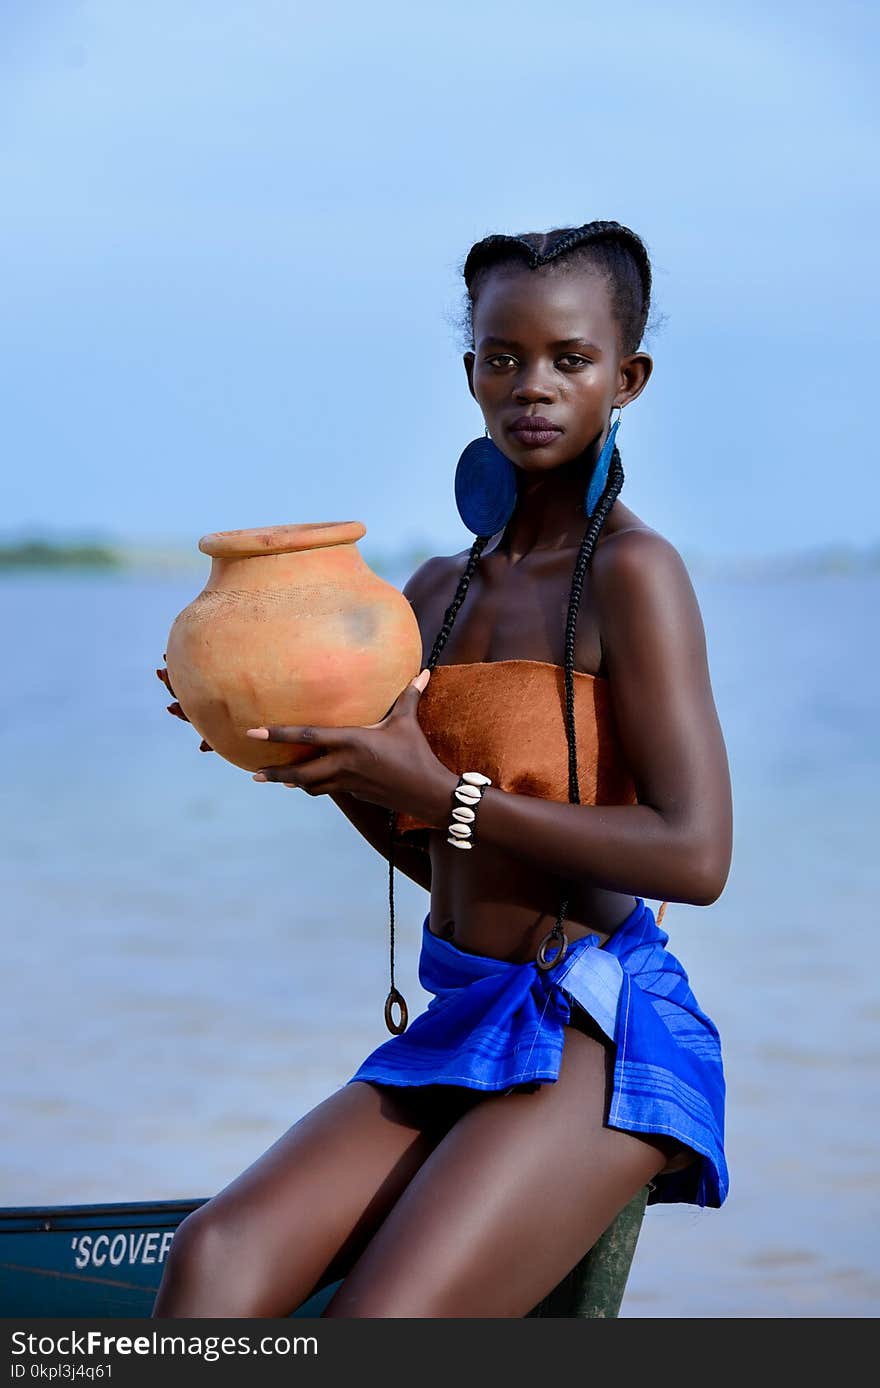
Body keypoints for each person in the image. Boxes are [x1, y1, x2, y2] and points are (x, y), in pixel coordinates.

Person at [151, 219, 733, 1319]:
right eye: (503, 357)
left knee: (384, 1320)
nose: (533, 386)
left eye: (571, 359)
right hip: (463, 1017)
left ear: (629, 376)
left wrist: (443, 793)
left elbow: (695, 855)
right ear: (469, 371)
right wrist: (306, 764)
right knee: (212, 1258)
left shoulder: (635, 574)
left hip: (595, 1031)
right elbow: (438, 846)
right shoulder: (429, 594)